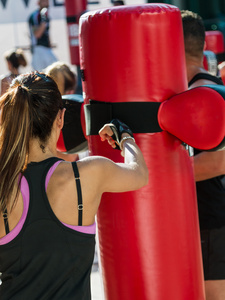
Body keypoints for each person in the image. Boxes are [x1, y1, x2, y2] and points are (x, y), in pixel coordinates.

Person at [0, 71, 148, 299]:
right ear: (60, 118)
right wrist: (125, 137)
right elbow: (139, 173)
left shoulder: (3, 186)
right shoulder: (89, 173)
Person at [181, 10, 225, 300]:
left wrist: (150, 175)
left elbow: (218, 160)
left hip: (212, 222)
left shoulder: (199, 99)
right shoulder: (216, 90)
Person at [28, 0, 57, 71]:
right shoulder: (35, 16)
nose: (46, 3)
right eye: (43, 1)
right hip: (39, 49)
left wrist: (49, 43)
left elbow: (46, 32)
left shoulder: (46, 16)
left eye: (47, 1)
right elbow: (37, 34)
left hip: (47, 48)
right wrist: (43, 21)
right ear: (38, 3)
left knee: (56, 71)